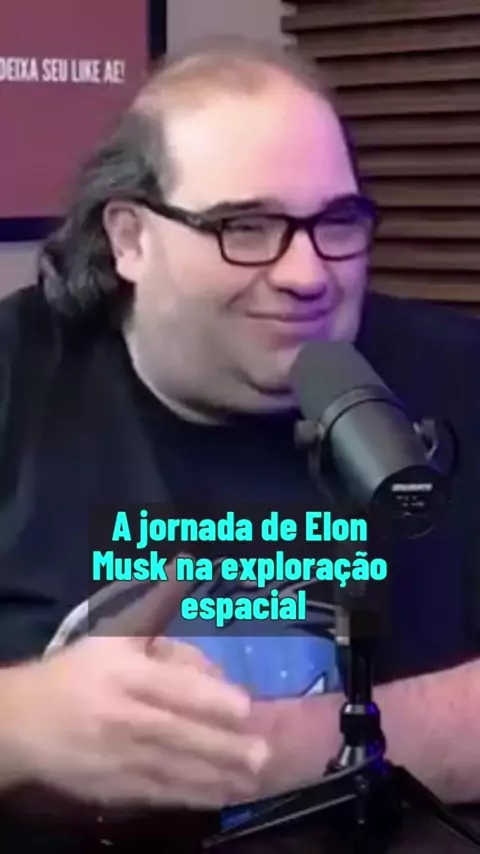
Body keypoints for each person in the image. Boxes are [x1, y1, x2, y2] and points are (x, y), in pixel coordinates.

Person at [1, 35, 480, 849]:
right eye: (246, 226)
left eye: (337, 222)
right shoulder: (17, 379)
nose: (307, 274)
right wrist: (21, 725)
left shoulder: (458, 373)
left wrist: (260, 750)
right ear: (130, 239)